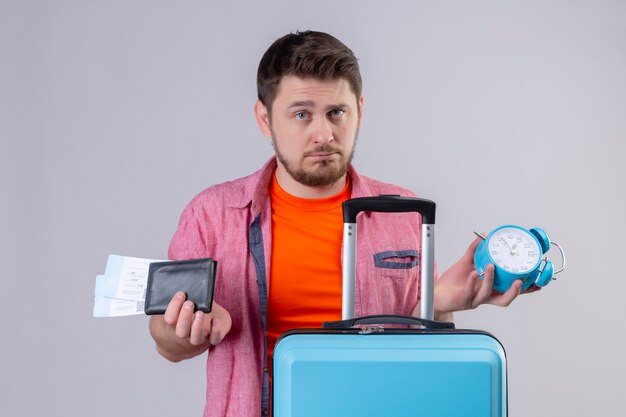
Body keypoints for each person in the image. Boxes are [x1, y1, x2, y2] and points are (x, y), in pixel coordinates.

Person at [149, 30, 528, 417]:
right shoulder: (210, 215)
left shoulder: (403, 215)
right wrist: (189, 330)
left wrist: (441, 303)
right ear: (265, 118)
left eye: (336, 113)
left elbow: (423, 347)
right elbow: (166, 341)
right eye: (301, 114)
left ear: (359, 111)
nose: (323, 134)